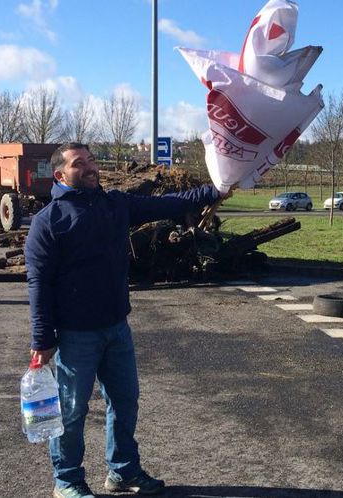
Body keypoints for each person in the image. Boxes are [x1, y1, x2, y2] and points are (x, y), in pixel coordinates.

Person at [26, 142, 228, 498]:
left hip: (117, 328)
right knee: (72, 412)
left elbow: (171, 203)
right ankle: (67, 481)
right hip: (75, 336)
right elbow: (39, 285)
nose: (90, 167)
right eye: (79, 164)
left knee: (125, 402)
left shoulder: (115, 204)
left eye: (90, 161)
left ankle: (122, 471)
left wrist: (217, 189)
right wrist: (42, 340)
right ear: (60, 175)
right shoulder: (49, 223)